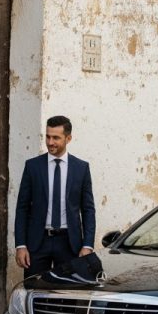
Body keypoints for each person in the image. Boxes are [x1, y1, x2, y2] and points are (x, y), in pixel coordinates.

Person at [15, 115, 96, 278]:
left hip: (69, 243)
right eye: (48, 136)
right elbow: (22, 208)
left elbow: (88, 210)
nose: (50, 142)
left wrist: (87, 245)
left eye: (56, 138)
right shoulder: (32, 166)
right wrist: (21, 245)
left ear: (68, 138)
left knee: (68, 294)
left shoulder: (81, 168)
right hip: (38, 243)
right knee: (34, 289)